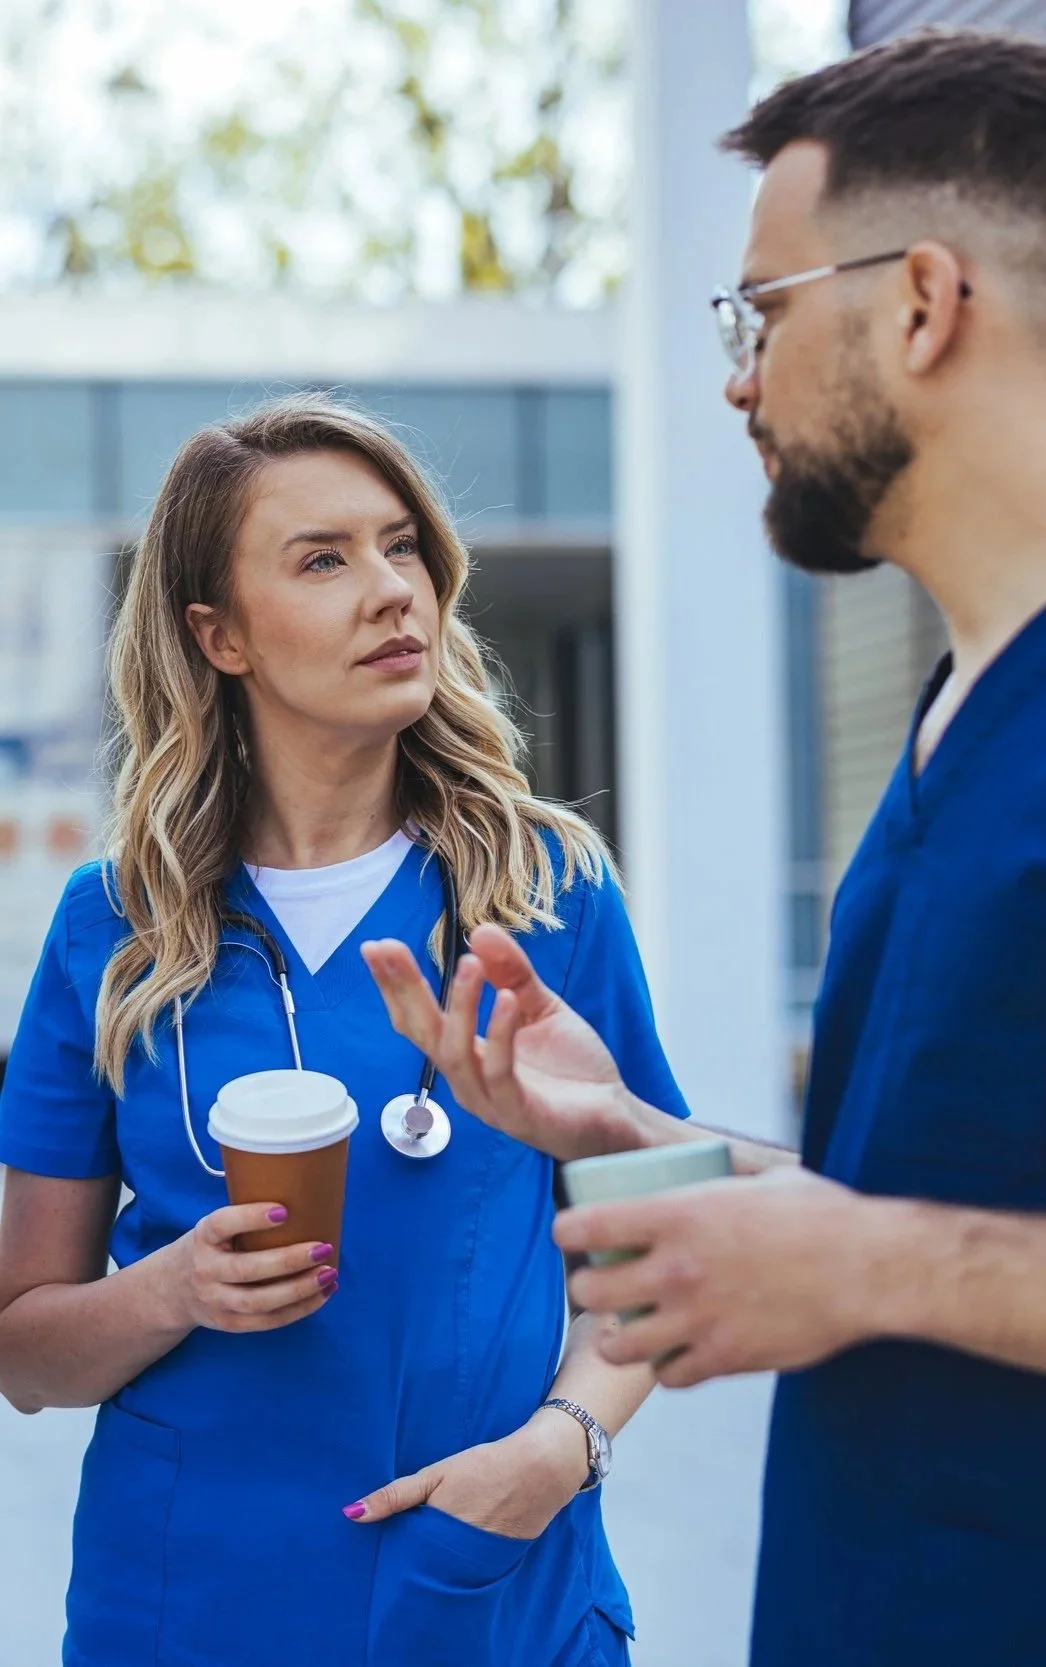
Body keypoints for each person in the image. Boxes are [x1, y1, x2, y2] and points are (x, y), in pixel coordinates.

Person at [360, 27, 1046, 1667]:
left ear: (920, 302)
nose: (736, 375)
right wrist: (631, 1129)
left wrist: (878, 1261)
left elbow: (894, 1251)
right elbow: (934, 1213)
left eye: (760, 312)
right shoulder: (955, 723)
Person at [0, 395, 689, 1667]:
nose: (390, 591)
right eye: (322, 559)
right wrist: (172, 1289)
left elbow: (655, 1239)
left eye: (402, 546)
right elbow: (25, 1344)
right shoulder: (114, 929)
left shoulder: (547, 893)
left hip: (490, 1588)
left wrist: (557, 1448)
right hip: (187, 1601)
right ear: (219, 635)